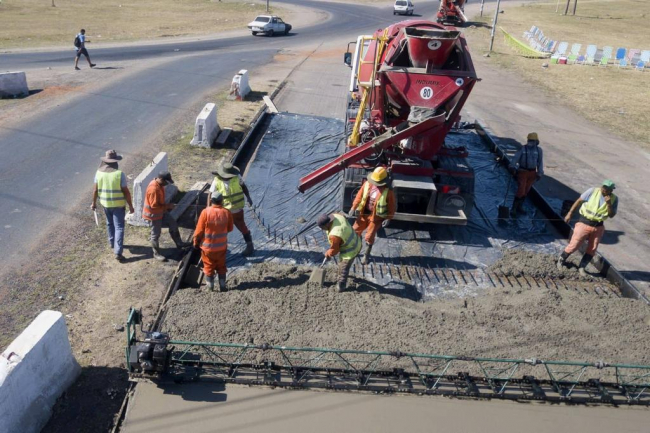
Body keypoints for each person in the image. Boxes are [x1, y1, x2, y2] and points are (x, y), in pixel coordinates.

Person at [557, 180, 619, 277]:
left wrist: (608, 204)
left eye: (607, 189)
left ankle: (582, 267)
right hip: (584, 222)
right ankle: (561, 260)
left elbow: (611, 215)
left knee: (592, 248)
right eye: (603, 187)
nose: (604, 189)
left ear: (611, 190)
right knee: (574, 244)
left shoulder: (614, 199)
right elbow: (579, 200)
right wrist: (570, 213)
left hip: (598, 226)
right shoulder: (593, 191)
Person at [91, 150, 134, 262]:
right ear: (116, 162)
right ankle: (118, 251)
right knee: (119, 227)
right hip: (118, 205)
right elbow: (126, 192)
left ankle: (112, 243)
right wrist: (131, 206)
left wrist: (93, 203)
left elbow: (95, 190)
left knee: (109, 223)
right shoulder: (119, 174)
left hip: (105, 204)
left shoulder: (98, 173)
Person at [349, 166, 396, 264]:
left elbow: (392, 206)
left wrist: (389, 218)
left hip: (376, 217)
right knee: (355, 231)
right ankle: (357, 249)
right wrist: (353, 207)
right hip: (363, 213)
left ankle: (366, 254)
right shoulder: (366, 184)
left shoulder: (388, 192)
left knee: (369, 236)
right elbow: (359, 196)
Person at [207, 162, 255, 256]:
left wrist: (248, 197)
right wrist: (208, 208)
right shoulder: (217, 181)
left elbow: (244, 187)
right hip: (223, 211)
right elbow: (210, 194)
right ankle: (220, 249)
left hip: (237, 209)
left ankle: (250, 246)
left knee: (241, 226)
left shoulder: (237, 177)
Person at [143, 171, 190, 261]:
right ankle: (156, 254)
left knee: (173, 224)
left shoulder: (160, 185)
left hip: (161, 211)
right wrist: (168, 206)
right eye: (166, 182)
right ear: (161, 179)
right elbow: (154, 205)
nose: (166, 184)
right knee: (155, 235)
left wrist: (166, 206)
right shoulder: (154, 189)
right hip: (153, 214)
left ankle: (179, 243)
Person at [193, 193, 233, 291]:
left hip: (208, 249)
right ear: (222, 201)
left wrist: (195, 242)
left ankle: (210, 288)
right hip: (222, 248)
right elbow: (230, 228)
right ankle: (223, 287)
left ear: (211, 200)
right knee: (221, 266)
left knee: (208, 267)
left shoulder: (205, 212)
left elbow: (199, 231)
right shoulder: (227, 212)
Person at [317, 213, 362, 292]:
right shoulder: (337, 216)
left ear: (326, 225)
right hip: (355, 240)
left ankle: (341, 285)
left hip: (351, 250)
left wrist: (328, 253)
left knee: (343, 268)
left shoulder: (335, 234)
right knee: (341, 264)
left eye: (322, 228)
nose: (322, 229)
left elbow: (335, 250)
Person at [509, 132, 544, 217]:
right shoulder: (523, 149)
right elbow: (515, 158)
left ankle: (519, 207)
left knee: (526, 190)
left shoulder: (539, 151)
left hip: (532, 173)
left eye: (532, 140)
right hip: (522, 172)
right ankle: (513, 208)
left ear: (536, 141)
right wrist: (512, 167)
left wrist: (539, 173)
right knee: (521, 189)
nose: (531, 142)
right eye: (530, 140)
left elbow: (540, 162)